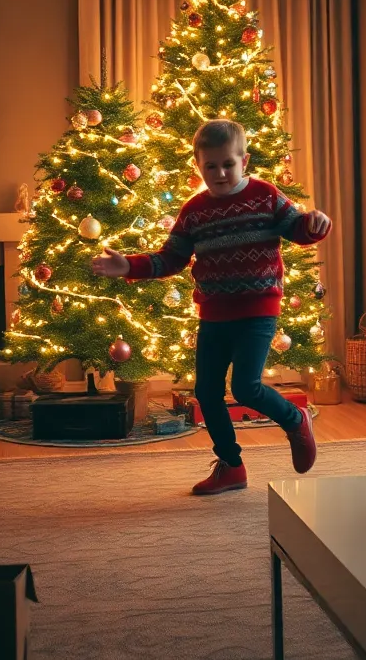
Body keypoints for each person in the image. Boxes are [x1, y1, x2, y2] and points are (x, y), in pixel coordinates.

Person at [91, 119, 332, 494]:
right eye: (211, 166)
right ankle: (231, 466)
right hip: (214, 315)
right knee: (206, 393)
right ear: (197, 166)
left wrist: (316, 224)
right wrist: (129, 265)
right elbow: (170, 258)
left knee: (247, 387)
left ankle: (293, 417)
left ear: (244, 161)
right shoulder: (194, 211)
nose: (220, 173)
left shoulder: (265, 195)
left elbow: (299, 229)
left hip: (258, 311)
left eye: (228, 164)